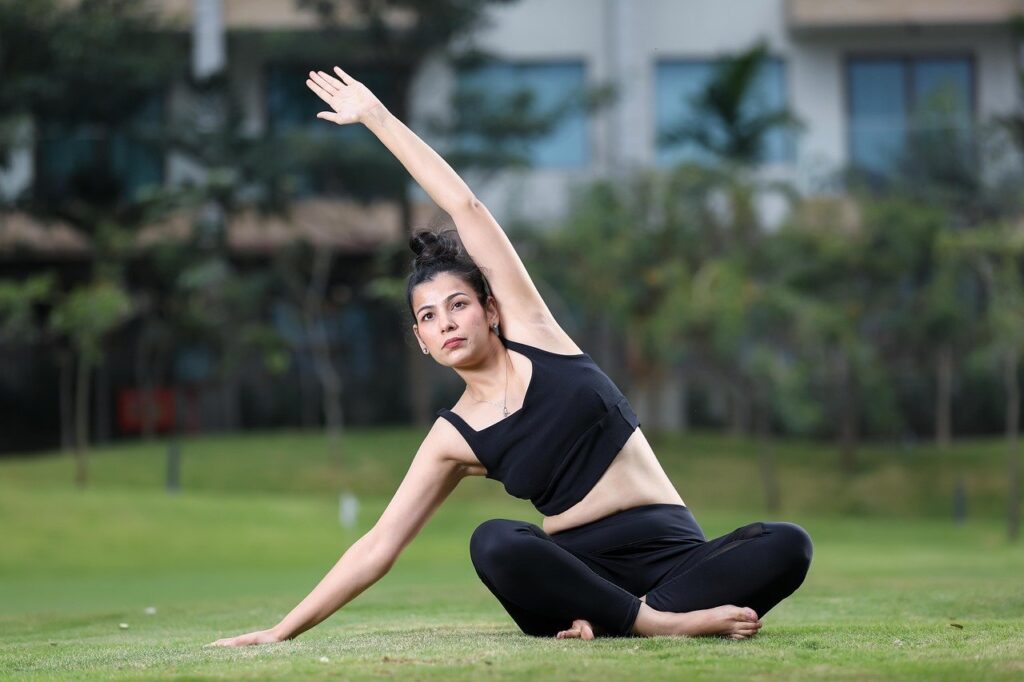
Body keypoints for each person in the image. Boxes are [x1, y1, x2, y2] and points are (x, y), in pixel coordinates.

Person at [208, 66, 812, 647]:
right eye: (428, 317)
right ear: (420, 341)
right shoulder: (454, 437)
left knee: (788, 543)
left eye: (457, 305)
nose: (445, 323)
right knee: (494, 542)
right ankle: (656, 624)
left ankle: (634, 619)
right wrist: (281, 630)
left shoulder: (536, 332)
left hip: (676, 557)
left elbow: (466, 208)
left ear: (491, 310)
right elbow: (378, 546)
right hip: (576, 576)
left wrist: (377, 117)